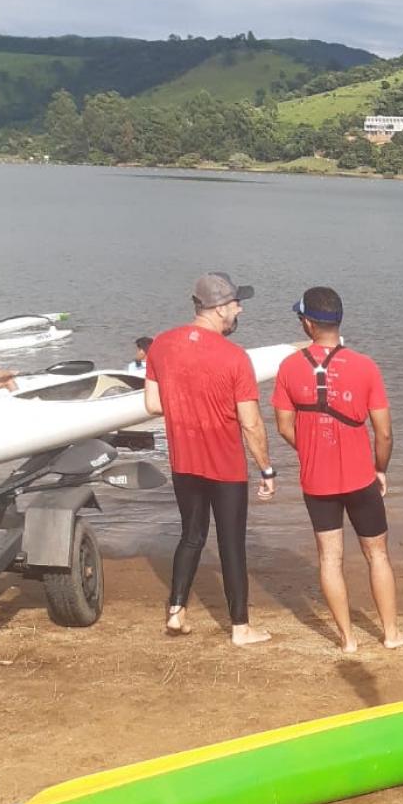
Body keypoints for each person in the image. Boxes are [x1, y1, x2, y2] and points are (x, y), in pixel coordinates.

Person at [271, 285, 403, 653]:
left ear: (307, 323)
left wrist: (311, 449)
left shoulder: (288, 367)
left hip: (316, 482)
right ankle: (391, 633)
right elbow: (384, 432)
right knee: (377, 554)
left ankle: (348, 640)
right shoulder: (365, 366)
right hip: (360, 477)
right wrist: (381, 469)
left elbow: (284, 425)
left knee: (329, 558)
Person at [143, 273, 274, 645]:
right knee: (231, 542)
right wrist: (267, 469)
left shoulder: (162, 345)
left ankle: (176, 609)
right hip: (226, 467)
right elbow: (250, 423)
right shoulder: (235, 357)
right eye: (235, 305)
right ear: (218, 309)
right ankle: (241, 627)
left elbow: (153, 404)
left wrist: (188, 402)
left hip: (183, 462)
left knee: (191, 535)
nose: (240, 310)